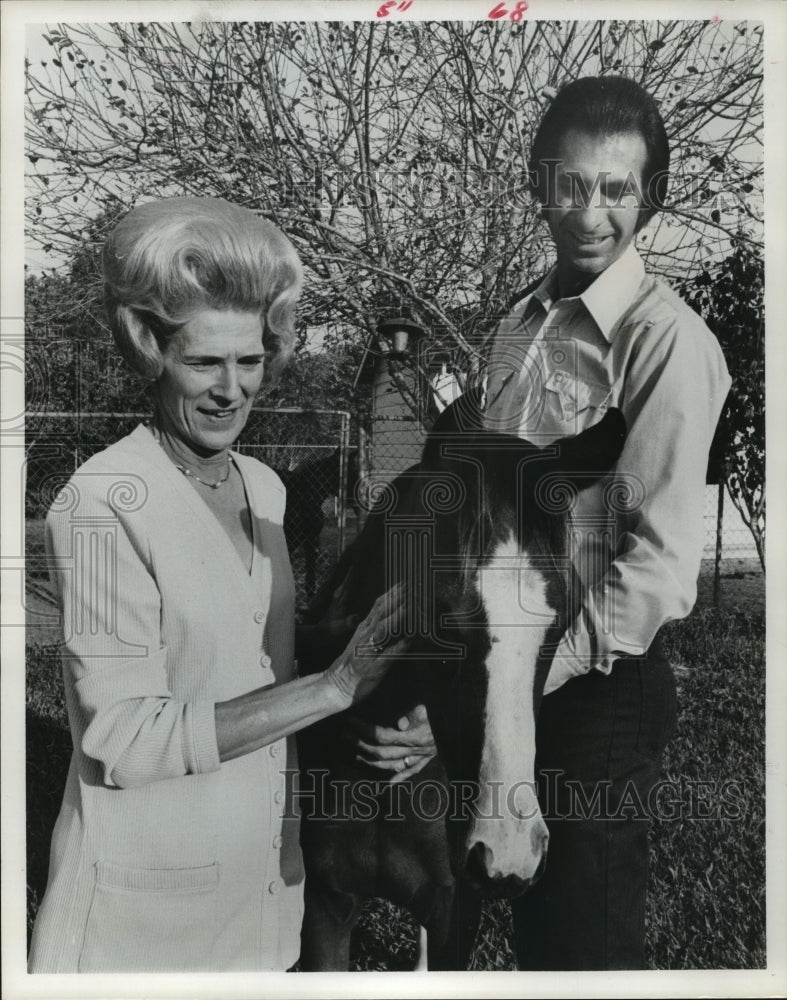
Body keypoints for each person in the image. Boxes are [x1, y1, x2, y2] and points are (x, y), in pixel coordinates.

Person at [27, 196, 406, 973]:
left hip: (263, 894)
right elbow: (123, 741)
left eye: (250, 360)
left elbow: (258, 669)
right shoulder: (98, 504)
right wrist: (332, 689)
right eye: (204, 361)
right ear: (148, 349)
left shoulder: (265, 489)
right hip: (142, 927)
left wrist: (401, 714)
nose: (231, 389)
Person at [477, 76, 731, 969]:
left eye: (617, 189)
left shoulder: (666, 342)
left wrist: (516, 682)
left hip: (594, 684)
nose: (590, 212)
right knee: (492, 899)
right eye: (571, 184)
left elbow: (654, 568)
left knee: (578, 940)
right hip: (502, 661)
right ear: (540, 183)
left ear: (649, 197)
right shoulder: (517, 324)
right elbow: (486, 513)